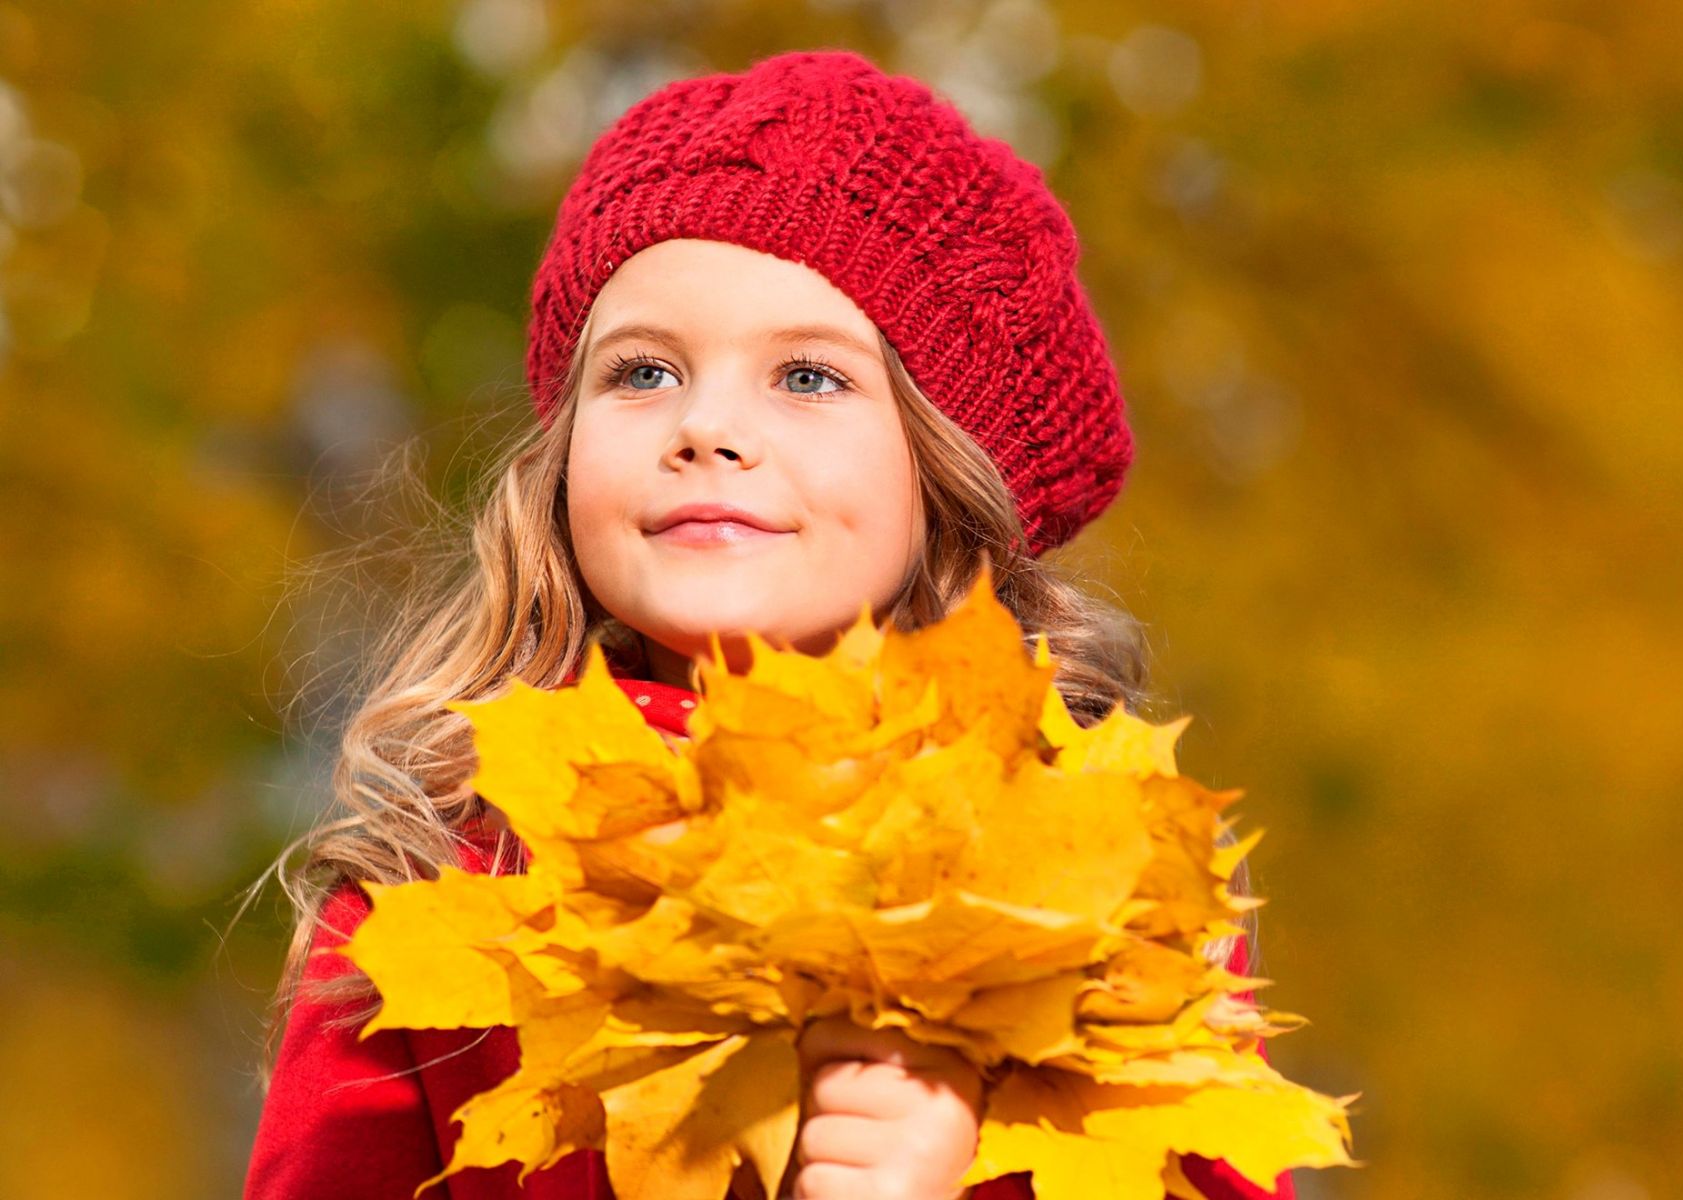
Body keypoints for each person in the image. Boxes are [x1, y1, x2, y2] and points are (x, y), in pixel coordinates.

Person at [243, 47, 1295, 1200]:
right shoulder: (434, 888)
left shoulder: (1098, 891)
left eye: (807, 379)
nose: (704, 427)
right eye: (642, 374)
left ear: (947, 476)